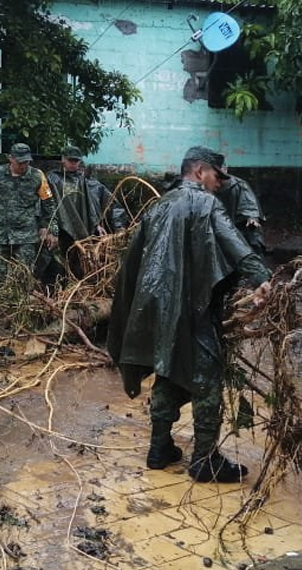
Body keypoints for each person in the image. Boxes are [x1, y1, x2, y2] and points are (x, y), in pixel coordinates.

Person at [108, 146, 273, 483]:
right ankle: (205, 459)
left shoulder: (159, 205)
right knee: (207, 377)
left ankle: (159, 448)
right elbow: (235, 244)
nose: (220, 184)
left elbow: (132, 262)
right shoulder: (205, 202)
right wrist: (262, 279)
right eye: (216, 176)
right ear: (199, 172)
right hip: (189, 307)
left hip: (156, 307)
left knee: (168, 368)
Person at [0, 143, 57, 287]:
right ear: (10, 158)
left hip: (26, 235)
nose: (23, 165)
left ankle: (23, 304)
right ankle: (3, 303)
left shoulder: (37, 176)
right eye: (20, 162)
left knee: (24, 275)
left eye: (26, 161)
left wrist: (49, 229)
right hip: (0, 233)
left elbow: (48, 204)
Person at [47, 145, 106, 280]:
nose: (74, 164)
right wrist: (49, 227)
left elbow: (89, 203)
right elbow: (48, 204)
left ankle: (76, 288)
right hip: (59, 228)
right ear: (63, 160)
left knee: (78, 258)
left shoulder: (81, 180)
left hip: (80, 225)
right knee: (59, 259)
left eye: (76, 161)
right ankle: (58, 288)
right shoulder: (53, 179)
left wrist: (96, 223)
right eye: (71, 160)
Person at [214, 161, 267, 261]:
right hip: (219, 225)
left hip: (239, 224)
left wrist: (252, 217)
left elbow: (249, 203)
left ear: (225, 169)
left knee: (252, 237)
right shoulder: (208, 186)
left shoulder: (238, 185)